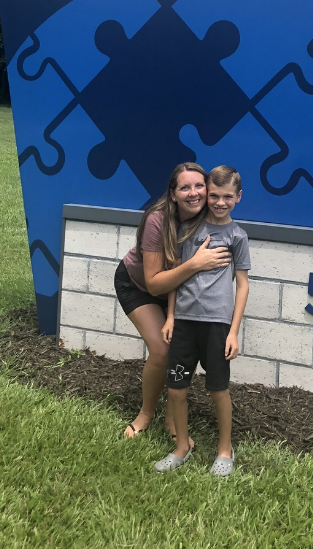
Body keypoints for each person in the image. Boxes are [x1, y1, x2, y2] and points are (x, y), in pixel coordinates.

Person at [114, 162, 232, 441]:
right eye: (185, 187)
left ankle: (171, 417)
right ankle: (146, 413)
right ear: (172, 194)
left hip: (178, 289)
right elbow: (154, 281)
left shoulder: (207, 215)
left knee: (182, 345)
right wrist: (194, 265)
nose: (194, 193)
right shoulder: (157, 220)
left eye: (199, 185)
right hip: (138, 284)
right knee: (161, 349)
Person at [154, 165, 250, 476]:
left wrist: (233, 332)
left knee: (217, 388)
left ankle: (225, 450)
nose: (220, 202)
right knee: (177, 388)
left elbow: (242, 284)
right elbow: (176, 279)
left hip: (217, 326)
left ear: (238, 197)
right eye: (214, 195)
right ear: (206, 195)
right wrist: (170, 316)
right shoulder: (187, 231)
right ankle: (182, 447)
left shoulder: (238, 236)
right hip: (184, 322)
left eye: (227, 197)